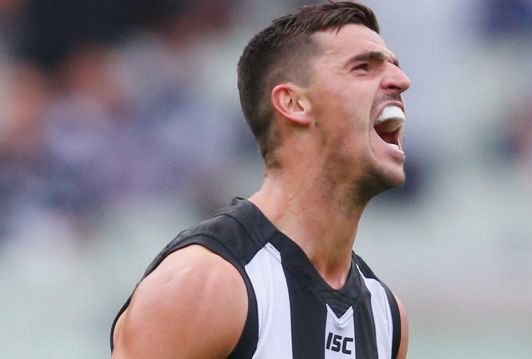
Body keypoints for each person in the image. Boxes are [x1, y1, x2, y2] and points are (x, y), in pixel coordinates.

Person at [110, 1, 411, 358]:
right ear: (294, 104)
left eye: (394, 66)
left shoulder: (386, 318)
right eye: (363, 68)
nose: (401, 81)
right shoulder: (203, 285)